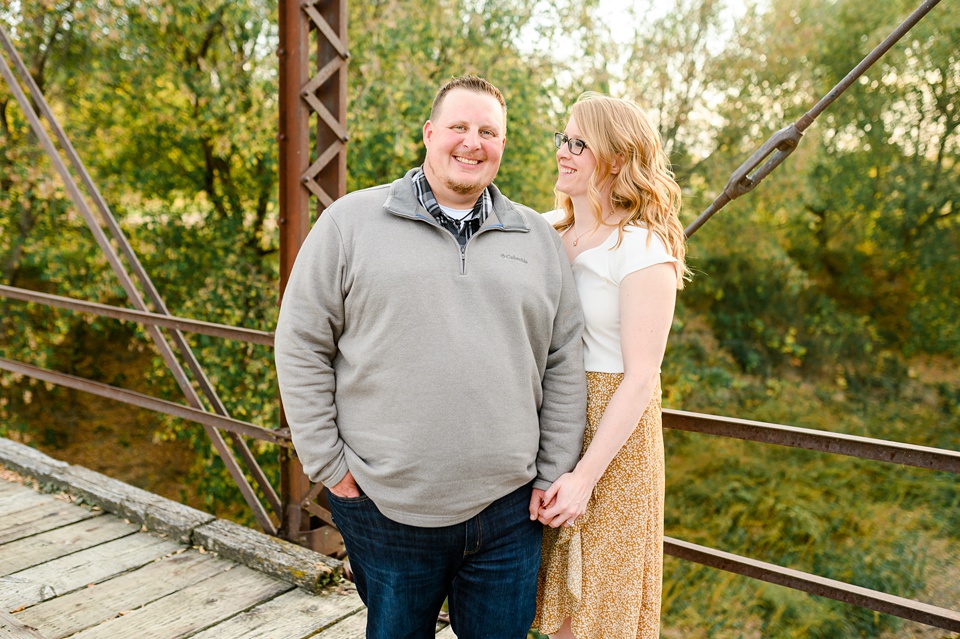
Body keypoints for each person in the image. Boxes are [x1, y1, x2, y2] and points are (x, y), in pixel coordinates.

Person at [274, 75, 587, 639]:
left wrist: (554, 467)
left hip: (510, 512)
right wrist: (329, 466)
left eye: (488, 131)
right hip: (386, 506)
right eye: (459, 127)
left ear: (503, 144)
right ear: (429, 133)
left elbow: (563, 357)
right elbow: (301, 343)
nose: (472, 142)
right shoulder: (350, 223)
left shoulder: (537, 238)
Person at [532, 93, 689, 639]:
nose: (564, 152)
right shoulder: (547, 230)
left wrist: (583, 479)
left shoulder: (643, 248)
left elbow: (642, 376)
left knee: (595, 605)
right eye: (563, 139)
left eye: (580, 143)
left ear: (616, 160)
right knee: (553, 603)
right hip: (553, 419)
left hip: (612, 437)